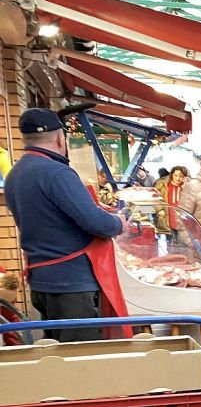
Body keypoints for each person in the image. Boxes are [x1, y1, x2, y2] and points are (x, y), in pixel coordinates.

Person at [5, 108, 125, 341]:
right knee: (80, 355)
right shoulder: (56, 173)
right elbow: (98, 224)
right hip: (71, 285)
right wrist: (118, 222)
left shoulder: (15, 174)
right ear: (61, 138)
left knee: (58, 353)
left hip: (41, 282)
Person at [160, 166, 189, 233]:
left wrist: (185, 188)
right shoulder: (164, 186)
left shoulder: (187, 187)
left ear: (184, 177)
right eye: (175, 175)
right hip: (167, 222)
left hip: (182, 223)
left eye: (181, 176)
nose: (178, 178)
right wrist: (160, 211)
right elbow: (157, 201)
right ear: (172, 175)